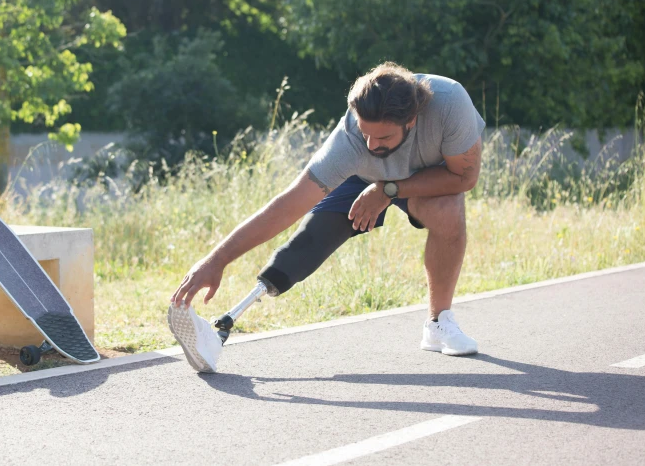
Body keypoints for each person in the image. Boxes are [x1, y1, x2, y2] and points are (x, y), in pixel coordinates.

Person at [168, 61, 485, 373]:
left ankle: (438, 323)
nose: (372, 146)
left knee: (448, 211)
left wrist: (389, 189)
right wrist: (216, 260)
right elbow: (288, 205)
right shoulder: (349, 141)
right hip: (361, 179)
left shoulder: (449, 105)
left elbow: (464, 178)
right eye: (366, 135)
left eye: (384, 139)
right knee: (311, 240)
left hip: (423, 179)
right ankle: (220, 329)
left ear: (411, 121)